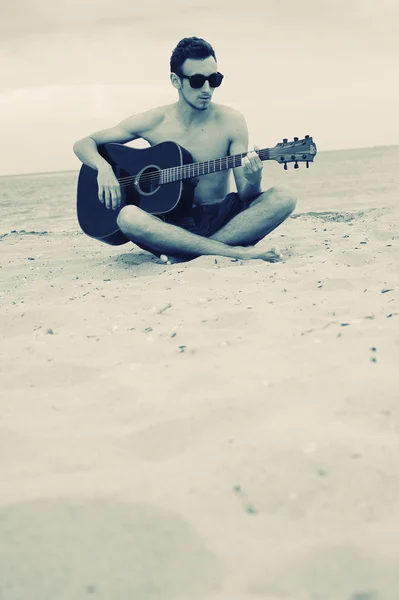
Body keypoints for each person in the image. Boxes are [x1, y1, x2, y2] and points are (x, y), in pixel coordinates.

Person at [73, 37, 297, 264]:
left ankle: (191, 252)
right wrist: (103, 169)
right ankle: (235, 252)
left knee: (284, 196)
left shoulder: (232, 121)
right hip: (171, 224)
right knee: (127, 216)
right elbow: (83, 143)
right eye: (198, 80)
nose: (207, 89)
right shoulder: (154, 121)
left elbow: (246, 195)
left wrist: (254, 179)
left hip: (221, 217)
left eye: (214, 79)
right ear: (176, 81)